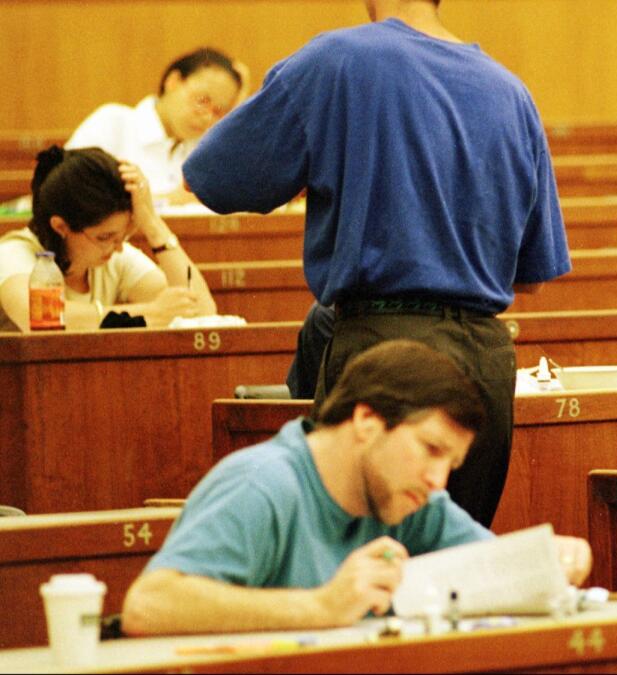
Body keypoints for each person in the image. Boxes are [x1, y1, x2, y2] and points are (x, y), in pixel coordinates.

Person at [180, 0, 571, 529]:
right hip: (486, 361)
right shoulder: (511, 92)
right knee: (444, 581)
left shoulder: (337, 60)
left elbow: (213, 175)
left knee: (354, 563)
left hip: (383, 349)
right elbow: (531, 276)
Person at [121, 340, 593, 635]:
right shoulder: (263, 485)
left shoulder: (414, 499)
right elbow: (149, 606)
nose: (438, 480)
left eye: (450, 464)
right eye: (430, 449)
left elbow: (498, 569)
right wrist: (321, 607)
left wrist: (551, 561)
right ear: (367, 420)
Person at [0, 146, 215, 333]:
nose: (118, 248)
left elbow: (202, 313)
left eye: (122, 236)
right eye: (105, 237)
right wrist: (151, 313)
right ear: (61, 226)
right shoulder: (13, 253)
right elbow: (40, 319)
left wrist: (152, 223)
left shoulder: (112, 255)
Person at [65, 48, 248, 203]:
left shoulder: (204, 146)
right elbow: (66, 193)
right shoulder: (113, 123)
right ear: (173, 82)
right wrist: (170, 199)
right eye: (202, 101)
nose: (207, 117)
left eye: (219, 111)